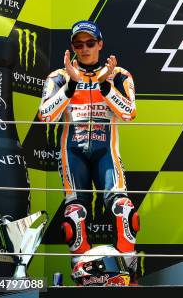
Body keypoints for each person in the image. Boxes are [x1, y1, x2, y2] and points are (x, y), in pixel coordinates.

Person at [38, 20, 140, 281]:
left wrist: (106, 86)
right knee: (74, 216)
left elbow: (129, 114)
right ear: (72, 47)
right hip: (73, 153)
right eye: (78, 44)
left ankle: (129, 270)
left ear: (100, 44)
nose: (84, 49)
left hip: (106, 151)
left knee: (124, 209)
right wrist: (71, 87)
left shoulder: (119, 74)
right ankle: (83, 276)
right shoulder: (59, 76)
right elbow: (46, 116)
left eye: (90, 43)